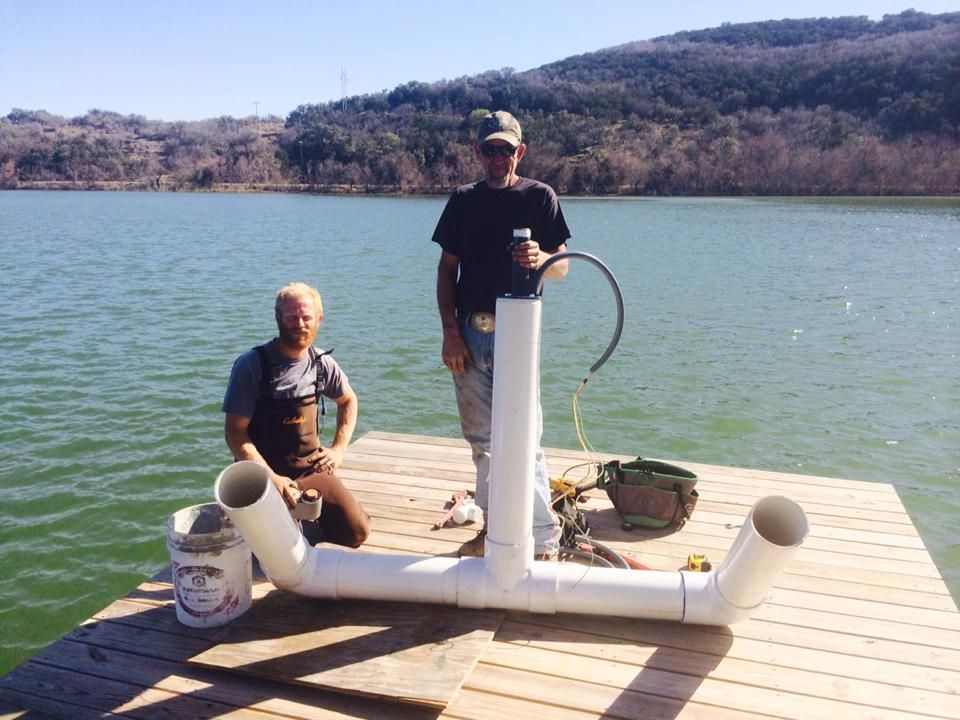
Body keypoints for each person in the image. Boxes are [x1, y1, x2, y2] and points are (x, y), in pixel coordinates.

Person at [431, 110, 571, 559]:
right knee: (482, 441)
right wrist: (450, 333)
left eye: (505, 150)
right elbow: (446, 269)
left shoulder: (540, 197)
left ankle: (543, 537)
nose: (497, 158)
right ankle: (493, 531)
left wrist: (541, 255)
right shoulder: (462, 201)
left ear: (520, 152)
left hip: (519, 334)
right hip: (471, 333)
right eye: (489, 150)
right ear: (477, 153)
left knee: (524, 435)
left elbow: (564, 266)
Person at [222, 281, 370, 548]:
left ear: (319, 320)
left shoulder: (322, 363)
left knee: (357, 532)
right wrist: (272, 479)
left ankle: (309, 513)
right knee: (269, 548)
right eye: (291, 317)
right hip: (262, 476)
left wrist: (338, 450)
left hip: (309, 470)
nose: (299, 324)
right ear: (278, 318)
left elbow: (348, 401)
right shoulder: (252, 365)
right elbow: (235, 433)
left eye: (306, 317)